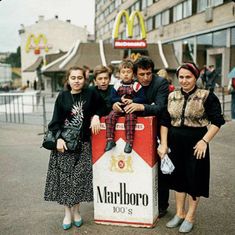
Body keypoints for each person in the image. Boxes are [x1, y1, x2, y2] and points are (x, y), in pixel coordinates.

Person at [158, 62, 225, 233]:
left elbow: (217, 121)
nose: (184, 80)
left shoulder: (206, 96)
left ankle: (190, 215)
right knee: (178, 179)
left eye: (188, 77)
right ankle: (180, 213)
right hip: (174, 142)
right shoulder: (172, 96)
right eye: (181, 77)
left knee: (194, 179)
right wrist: (164, 144)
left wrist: (204, 141)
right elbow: (165, 121)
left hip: (196, 143)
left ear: (195, 77)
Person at [44, 66, 104, 230]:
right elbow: (55, 121)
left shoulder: (91, 93)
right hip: (64, 145)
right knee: (65, 181)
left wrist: (96, 116)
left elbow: (102, 106)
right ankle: (67, 213)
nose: (77, 80)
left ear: (84, 79)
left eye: (79, 77)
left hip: (84, 144)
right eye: (73, 78)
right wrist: (58, 139)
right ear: (68, 80)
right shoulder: (62, 96)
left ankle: (77, 211)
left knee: (78, 180)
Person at [116, 56, 169, 217]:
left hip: (158, 130)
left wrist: (141, 106)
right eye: (141, 74)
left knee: (159, 170)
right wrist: (115, 104)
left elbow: (161, 108)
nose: (145, 77)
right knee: (137, 166)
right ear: (134, 74)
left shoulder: (160, 83)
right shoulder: (127, 83)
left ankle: (161, 206)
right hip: (134, 131)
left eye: (148, 73)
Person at [105, 59, 146, 154]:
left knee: (130, 119)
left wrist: (133, 100)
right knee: (110, 117)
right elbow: (111, 98)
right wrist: (119, 100)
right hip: (119, 108)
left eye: (129, 72)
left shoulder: (136, 85)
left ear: (133, 74)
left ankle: (129, 142)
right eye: (123, 72)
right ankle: (110, 139)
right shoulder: (117, 85)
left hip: (131, 108)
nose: (126, 74)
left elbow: (143, 99)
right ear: (119, 74)